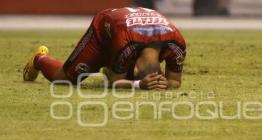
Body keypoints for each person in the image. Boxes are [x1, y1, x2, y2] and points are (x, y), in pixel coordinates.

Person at [23, 7, 186, 90]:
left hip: (126, 31)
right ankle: (39, 59)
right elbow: (115, 82)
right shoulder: (126, 46)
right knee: (65, 79)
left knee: (120, 70)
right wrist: (138, 85)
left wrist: (165, 83)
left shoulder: (177, 44)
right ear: (135, 68)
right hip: (104, 31)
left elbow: (175, 81)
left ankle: (112, 66)